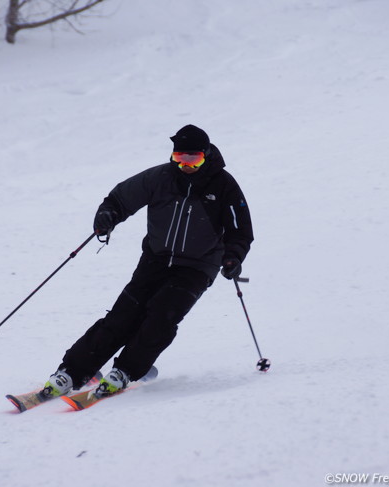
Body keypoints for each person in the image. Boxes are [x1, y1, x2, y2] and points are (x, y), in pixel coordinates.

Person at [42, 124, 254, 398]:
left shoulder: (224, 186)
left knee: (162, 317)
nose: (186, 166)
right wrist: (107, 216)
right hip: (156, 258)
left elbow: (241, 232)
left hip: (197, 266)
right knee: (122, 317)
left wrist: (233, 257)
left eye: (193, 160)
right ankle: (71, 372)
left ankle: (126, 370)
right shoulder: (160, 178)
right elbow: (120, 198)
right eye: (180, 159)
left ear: (206, 155)